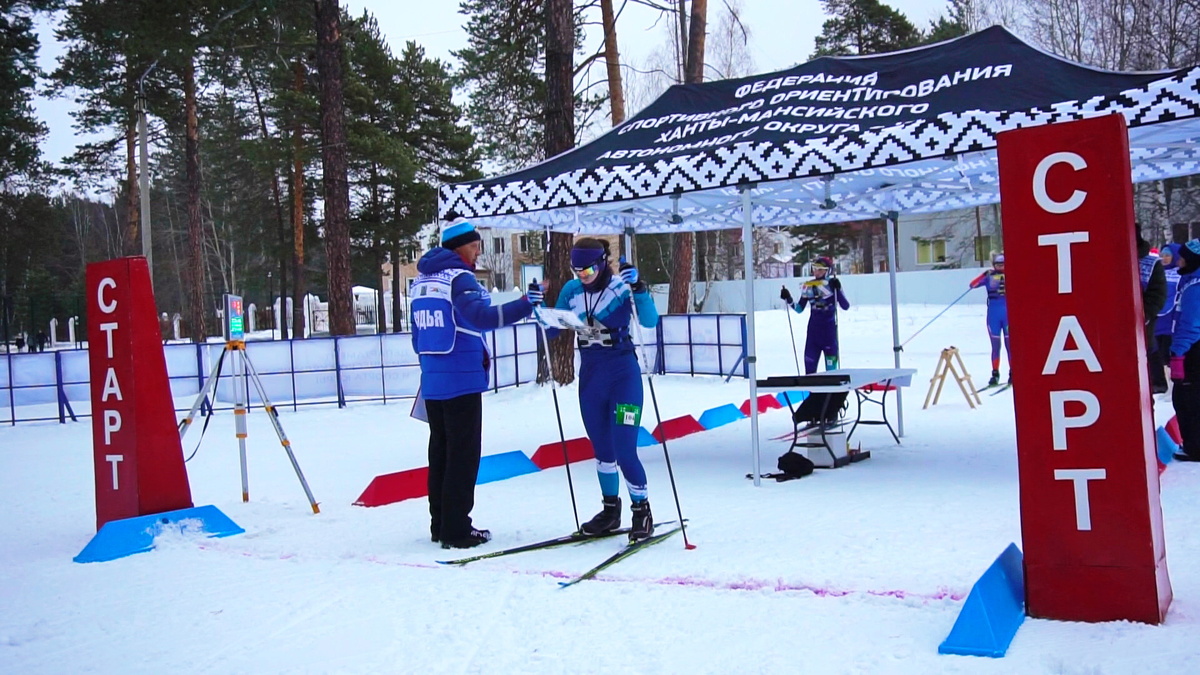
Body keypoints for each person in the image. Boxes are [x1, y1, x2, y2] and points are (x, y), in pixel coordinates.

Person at [411, 217, 542, 548]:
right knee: (463, 456)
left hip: (433, 377)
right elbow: (482, 318)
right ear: (458, 248)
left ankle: (440, 523)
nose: (477, 253)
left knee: (440, 453)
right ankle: (458, 529)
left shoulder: (424, 278)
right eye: (473, 246)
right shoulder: (461, 278)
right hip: (462, 378)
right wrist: (527, 303)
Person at [547, 237, 659, 542]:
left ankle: (642, 510)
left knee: (624, 448)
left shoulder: (620, 287)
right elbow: (554, 328)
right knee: (602, 448)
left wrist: (640, 289)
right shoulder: (572, 291)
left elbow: (649, 321)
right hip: (592, 376)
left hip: (623, 374)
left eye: (587, 270)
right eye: (576, 270)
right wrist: (538, 309)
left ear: (600, 263)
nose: (582, 275)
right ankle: (611, 511)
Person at [780, 256, 850, 374]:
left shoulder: (832, 284)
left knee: (832, 374)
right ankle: (811, 393)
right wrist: (788, 298)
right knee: (810, 373)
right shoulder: (808, 286)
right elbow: (799, 308)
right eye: (815, 269)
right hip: (813, 335)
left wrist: (837, 289)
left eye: (820, 270)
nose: (816, 272)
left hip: (829, 335)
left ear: (827, 271)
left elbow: (845, 306)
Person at [1170, 239, 1200, 462]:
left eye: (1182, 257)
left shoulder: (1194, 287)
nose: (1178, 260)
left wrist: (1178, 353)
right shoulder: (1190, 282)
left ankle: (1194, 446)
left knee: (1186, 398)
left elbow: (1190, 324)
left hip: (1193, 351)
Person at [968, 252, 1010, 387]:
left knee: (1010, 346)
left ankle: (1013, 372)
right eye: (998, 265)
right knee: (995, 346)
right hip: (993, 315)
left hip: (1008, 315)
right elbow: (972, 285)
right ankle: (995, 373)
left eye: (1003, 264)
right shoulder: (989, 276)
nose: (1001, 267)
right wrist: (985, 275)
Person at [1151, 243, 1180, 394]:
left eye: (1168, 255)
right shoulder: (1158, 271)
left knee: (1169, 353)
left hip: (1172, 320)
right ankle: (1161, 382)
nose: (1164, 258)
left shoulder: (1180, 273)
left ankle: (1173, 385)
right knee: (1158, 353)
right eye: (1162, 255)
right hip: (1157, 319)